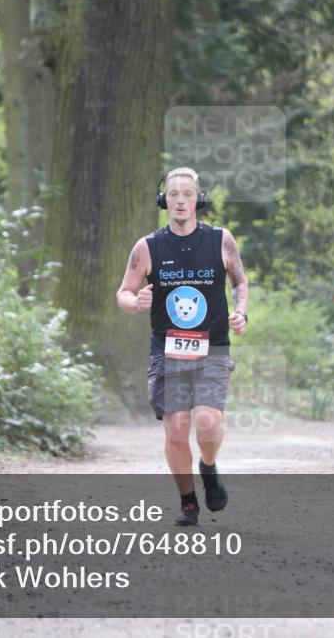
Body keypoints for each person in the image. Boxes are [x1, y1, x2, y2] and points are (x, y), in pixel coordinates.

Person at [116, 167, 249, 527]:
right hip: (168, 350)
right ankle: (188, 501)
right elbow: (124, 291)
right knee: (176, 430)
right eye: (172, 193)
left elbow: (239, 281)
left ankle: (208, 467)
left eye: (186, 193)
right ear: (164, 200)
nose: (179, 200)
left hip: (213, 347)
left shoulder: (221, 241)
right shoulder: (148, 247)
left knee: (206, 422)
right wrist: (133, 302)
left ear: (197, 199)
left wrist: (241, 313)